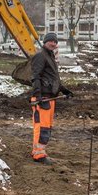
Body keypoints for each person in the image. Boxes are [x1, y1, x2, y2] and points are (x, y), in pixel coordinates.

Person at [30, 32, 72, 164]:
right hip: (42, 98)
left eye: (55, 41)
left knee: (46, 126)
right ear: (45, 42)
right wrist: (38, 96)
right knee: (41, 126)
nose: (53, 43)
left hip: (50, 97)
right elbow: (35, 77)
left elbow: (54, 80)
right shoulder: (40, 56)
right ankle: (38, 155)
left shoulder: (50, 57)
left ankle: (40, 151)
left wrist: (65, 91)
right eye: (51, 41)